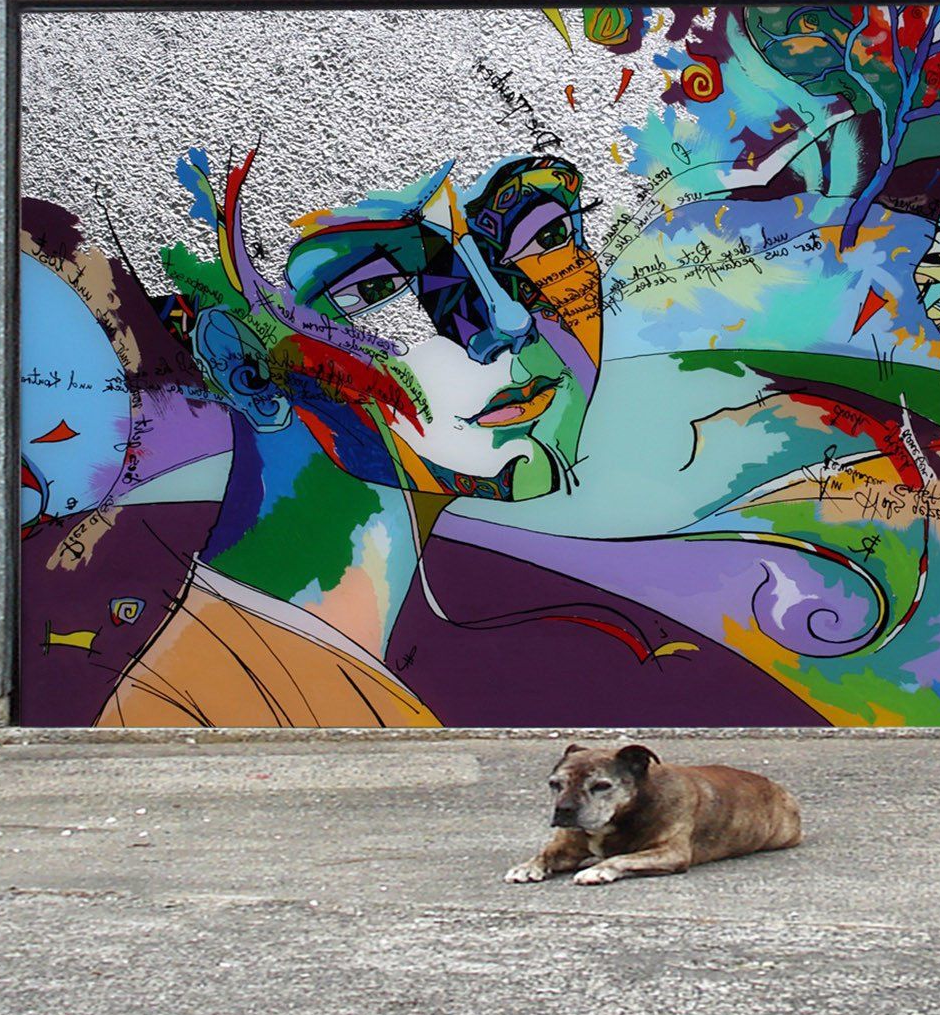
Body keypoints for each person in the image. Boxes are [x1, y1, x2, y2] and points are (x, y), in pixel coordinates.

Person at [93, 147, 602, 726]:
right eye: (379, 288)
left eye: (543, 238)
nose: (508, 322)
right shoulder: (189, 711)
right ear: (245, 368)